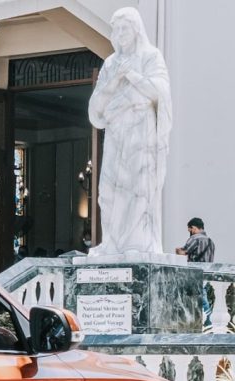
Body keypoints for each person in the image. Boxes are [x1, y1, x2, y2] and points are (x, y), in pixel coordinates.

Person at [87, 8, 172, 256]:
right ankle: (112, 242)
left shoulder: (150, 56)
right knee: (109, 190)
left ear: (136, 29)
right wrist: (115, 80)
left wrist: (132, 76)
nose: (121, 33)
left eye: (125, 28)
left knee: (138, 187)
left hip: (140, 132)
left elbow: (160, 92)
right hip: (116, 132)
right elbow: (96, 108)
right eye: (117, 29)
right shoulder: (110, 63)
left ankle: (138, 243)